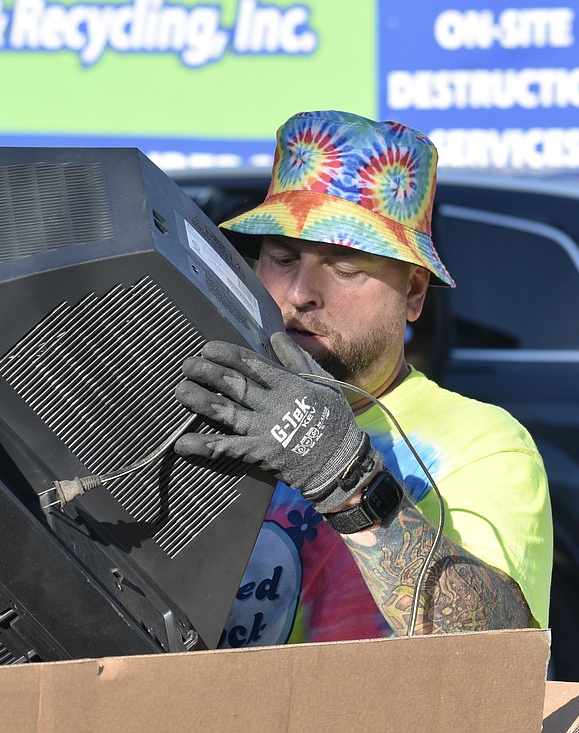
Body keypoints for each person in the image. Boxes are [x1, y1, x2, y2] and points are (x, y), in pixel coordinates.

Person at [173, 110, 552, 646]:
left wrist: (347, 480)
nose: (300, 292)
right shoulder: (209, 397)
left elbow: (494, 653)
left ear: (414, 294)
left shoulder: (484, 444)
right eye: (282, 257)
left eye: (345, 266)